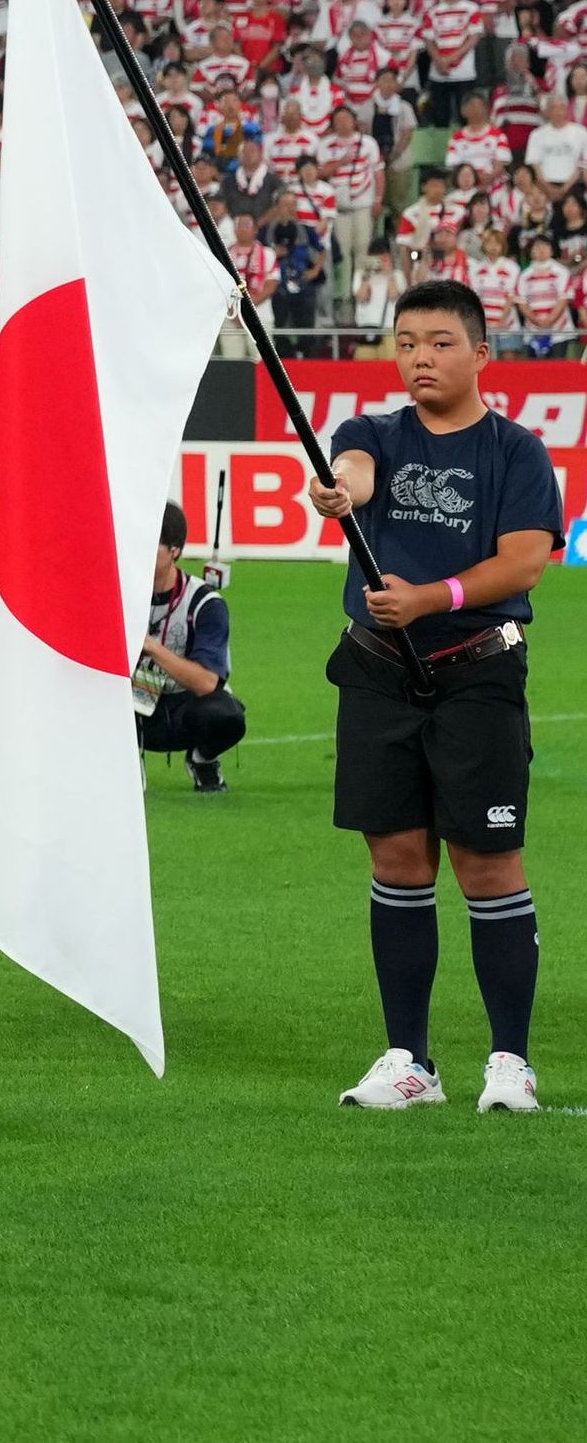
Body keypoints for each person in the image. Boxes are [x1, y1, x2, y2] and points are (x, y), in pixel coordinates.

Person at [311, 279, 555, 1115]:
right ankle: (409, 1058)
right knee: (398, 862)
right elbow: (354, 469)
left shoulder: (517, 452)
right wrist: (341, 490)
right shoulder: (370, 432)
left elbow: (525, 562)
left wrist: (431, 597)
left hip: (478, 672)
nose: (421, 356)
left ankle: (510, 1061)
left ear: (481, 353)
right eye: (408, 341)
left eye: (441, 342)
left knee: (488, 865)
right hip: (378, 673)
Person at [135, 502, 245, 793]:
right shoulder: (121, 594)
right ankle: (127, 765)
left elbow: (208, 683)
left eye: (153, 545)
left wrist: (151, 647)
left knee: (227, 716)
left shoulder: (205, 603)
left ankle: (203, 758)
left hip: (186, 705)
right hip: (132, 702)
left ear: (175, 551)